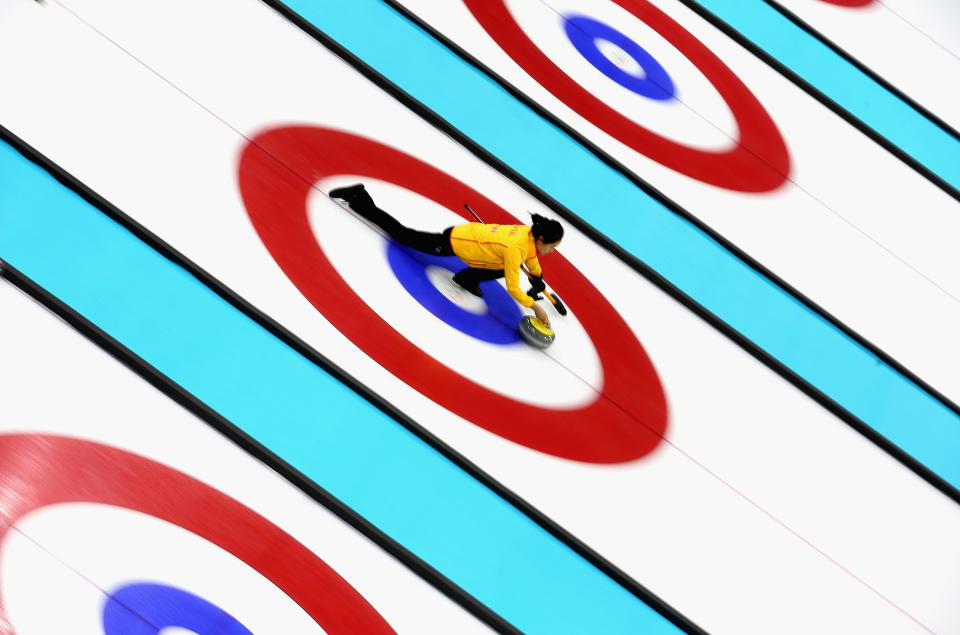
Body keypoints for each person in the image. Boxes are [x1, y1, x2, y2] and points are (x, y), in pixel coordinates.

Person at [329, 183, 563, 325]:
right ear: (541, 239)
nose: (551, 252)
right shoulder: (517, 249)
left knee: (501, 267)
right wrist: (535, 306)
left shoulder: (529, 235)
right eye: (552, 247)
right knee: (402, 235)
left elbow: (531, 256)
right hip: (456, 242)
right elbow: (513, 287)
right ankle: (359, 199)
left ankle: (466, 278)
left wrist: (536, 275)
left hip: (472, 236)